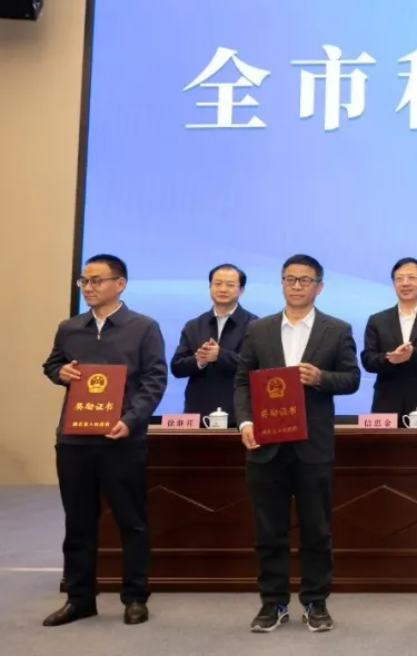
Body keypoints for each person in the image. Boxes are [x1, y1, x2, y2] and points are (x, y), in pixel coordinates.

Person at [234, 254, 361, 633]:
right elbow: (242, 381)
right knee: (268, 529)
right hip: (266, 443)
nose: (296, 286)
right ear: (281, 283)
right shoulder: (259, 329)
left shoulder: (336, 330)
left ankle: (315, 601)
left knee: (316, 528)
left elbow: (352, 379)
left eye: (305, 280)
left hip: (313, 445)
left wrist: (321, 378)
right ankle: (272, 602)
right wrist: (245, 421)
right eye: (290, 279)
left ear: (319, 287)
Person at [41, 254, 167, 627]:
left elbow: (155, 379)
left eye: (97, 280)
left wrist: (131, 421)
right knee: (78, 522)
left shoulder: (143, 327)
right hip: (74, 440)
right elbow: (52, 365)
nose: (89, 288)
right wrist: (60, 372)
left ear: (120, 284)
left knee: (132, 521)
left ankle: (135, 597)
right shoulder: (70, 328)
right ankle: (80, 598)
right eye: (84, 281)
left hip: (121, 440)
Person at [361, 257, 417, 423]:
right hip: (386, 405)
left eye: (411, 278)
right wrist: (390, 359)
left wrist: (413, 354)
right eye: (399, 278)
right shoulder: (377, 320)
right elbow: (368, 360)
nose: (405, 283)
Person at [170, 264, 258, 424]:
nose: (223, 289)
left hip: (238, 414)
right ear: (210, 287)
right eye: (217, 284)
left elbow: (257, 367)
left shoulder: (255, 325)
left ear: (241, 290)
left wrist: (221, 355)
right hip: (197, 413)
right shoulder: (194, 325)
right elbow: (177, 367)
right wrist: (199, 360)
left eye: (230, 285)